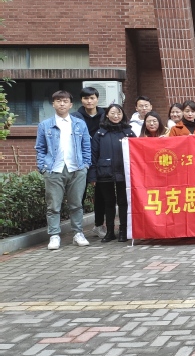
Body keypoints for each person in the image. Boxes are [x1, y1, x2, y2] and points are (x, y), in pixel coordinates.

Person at [35, 90, 92, 250]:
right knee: (53, 206)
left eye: (65, 101)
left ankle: (78, 233)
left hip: (77, 168)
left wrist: (86, 165)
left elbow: (86, 146)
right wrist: (43, 167)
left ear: (71, 104)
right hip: (54, 169)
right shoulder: (45, 125)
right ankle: (54, 235)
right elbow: (40, 148)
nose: (62, 104)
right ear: (53, 104)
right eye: (58, 101)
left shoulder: (79, 124)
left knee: (76, 204)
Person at [89, 104, 137, 243]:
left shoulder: (129, 132)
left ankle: (123, 231)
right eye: (113, 113)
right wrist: (93, 176)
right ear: (107, 115)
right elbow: (93, 156)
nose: (116, 116)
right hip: (104, 172)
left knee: (123, 202)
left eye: (119, 113)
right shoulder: (100, 134)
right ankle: (110, 232)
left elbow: (137, 153)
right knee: (108, 202)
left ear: (123, 115)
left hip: (124, 173)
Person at [74, 86, 107, 239]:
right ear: (81, 100)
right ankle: (78, 229)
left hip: (100, 159)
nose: (89, 101)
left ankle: (99, 225)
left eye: (92, 98)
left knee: (100, 194)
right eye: (86, 98)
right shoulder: (75, 117)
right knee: (79, 195)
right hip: (81, 160)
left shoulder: (105, 116)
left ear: (97, 99)